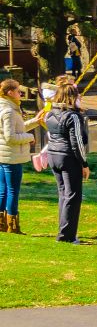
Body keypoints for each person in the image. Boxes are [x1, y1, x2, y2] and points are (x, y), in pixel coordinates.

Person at [44, 82, 90, 243]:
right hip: (68, 157)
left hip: (53, 155)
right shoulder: (73, 116)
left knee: (63, 194)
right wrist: (84, 163)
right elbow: (77, 142)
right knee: (73, 195)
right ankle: (67, 235)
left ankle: (64, 230)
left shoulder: (49, 114)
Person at [0, 78, 34, 233]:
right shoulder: (9, 111)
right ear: (10, 92)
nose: (21, 93)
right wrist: (30, 138)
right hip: (11, 156)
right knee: (12, 190)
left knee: (4, 189)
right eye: (18, 91)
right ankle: (12, 225)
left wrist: (36, 121)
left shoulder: (7, 107)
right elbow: (11, 137)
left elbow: (18, 129)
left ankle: (2, 223)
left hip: (4, 155)